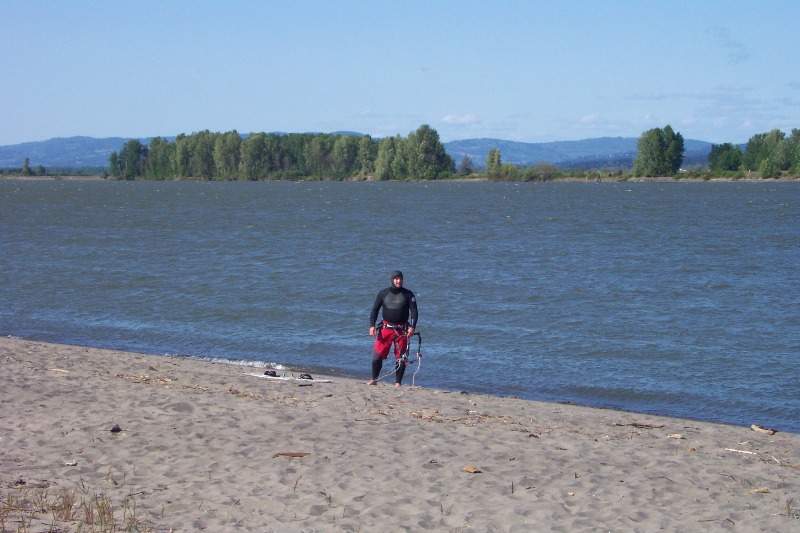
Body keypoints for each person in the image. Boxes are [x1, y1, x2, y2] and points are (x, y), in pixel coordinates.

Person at [367, 270, 418, 387]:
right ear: (392, 280)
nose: (398, 280)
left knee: (401, 357)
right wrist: (372, 326)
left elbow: (414, 312)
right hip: (386, 328)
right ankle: (374, 379)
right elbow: (375, 310)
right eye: (396, 278)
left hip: (402, 330)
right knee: (377, 354)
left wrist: (412, 327)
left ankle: (398, 382)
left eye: (400, 278)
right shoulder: (383, 293)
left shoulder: (408, 295)